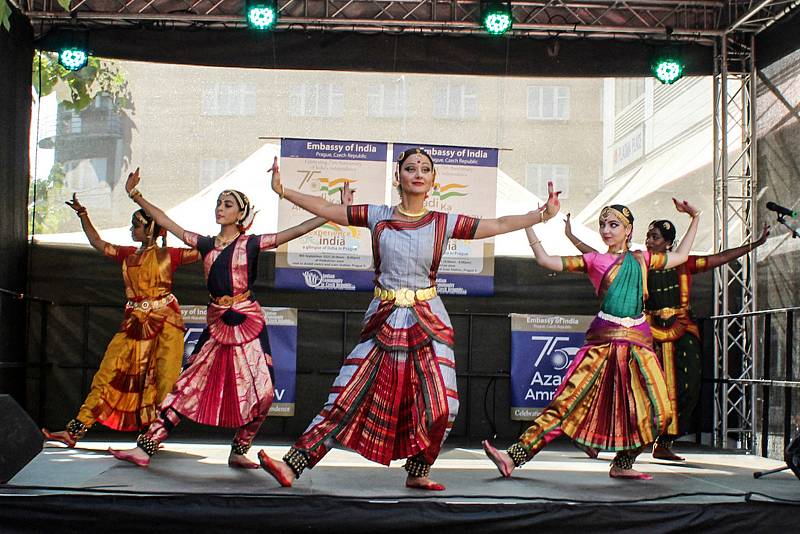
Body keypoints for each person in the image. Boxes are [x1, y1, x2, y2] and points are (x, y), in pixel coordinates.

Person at [257, 148, 561, 490]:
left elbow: (501, 224)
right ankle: (293, 465)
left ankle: (419, 470)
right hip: (384, 320)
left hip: (428, 321)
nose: (418, 173)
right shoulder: (377, 216)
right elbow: (328, 209)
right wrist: (282, 190)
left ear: (433, 181)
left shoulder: (444, 223)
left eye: (425, 169)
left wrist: (541, 215)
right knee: (345, 395)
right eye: (410, 168)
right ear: (397, 177)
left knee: (444, 406)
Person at [108, 168, 351, 468]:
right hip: (216, 321)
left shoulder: (252, 244)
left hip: (247, 321)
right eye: (219, 204)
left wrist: (334, 213)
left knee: (264, 391)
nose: (220, 209)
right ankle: (146, 447)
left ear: (240, 214)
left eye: (227, 205)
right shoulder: (206, 244)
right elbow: (167, 221)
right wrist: (136, 196)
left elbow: (298, 231)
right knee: (188, 383)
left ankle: (240, 449)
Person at [484, 200, 700, 480]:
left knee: (661, 411)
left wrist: (696, 216)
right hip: (602, 345)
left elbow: (681, 256)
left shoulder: (641, 259)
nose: (606, 231)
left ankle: (624, 463)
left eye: (614, 225)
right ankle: (512, 457)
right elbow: (546, 260)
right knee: (565, 405)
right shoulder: (595, 261)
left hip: (638, 347)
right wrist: (530, 225)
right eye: (602, 225)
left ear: (628, 229)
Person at [564, 215, 770, 461]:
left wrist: (754, 244)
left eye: (655, 237)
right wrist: (571, 237)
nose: (649, 241)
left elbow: (720, 257)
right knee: (632, 389)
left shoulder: (684, 264)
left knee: (689, 387)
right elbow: (597, 259)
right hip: (646, 333)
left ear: (669, 244)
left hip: (683, 333)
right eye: (648, 236)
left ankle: (663, 443)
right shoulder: (640, 262)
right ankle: (598, 441)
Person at [42, 194, 199, 447]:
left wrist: (235, 235)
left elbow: (207, 250)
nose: (131, 229)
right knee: (108, 372)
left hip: (166, 324)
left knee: (163, 380)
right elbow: (97, 242)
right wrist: (83, 215)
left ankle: (153, 436)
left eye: (136, 224)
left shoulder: (171, 255)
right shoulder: (127, 254)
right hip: (134, 324)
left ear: (149, 228)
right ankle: (75, 431)